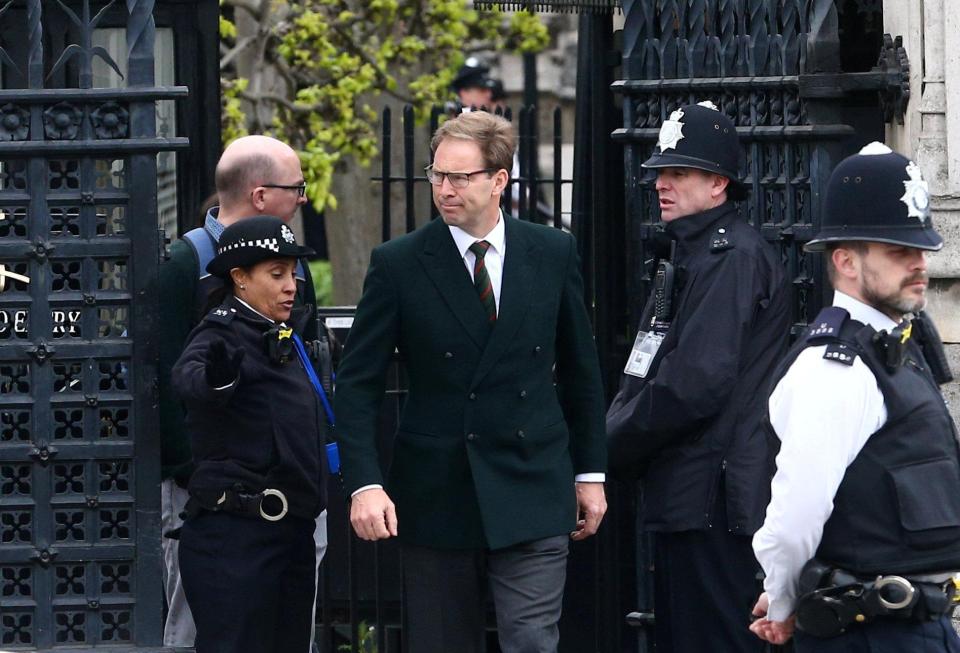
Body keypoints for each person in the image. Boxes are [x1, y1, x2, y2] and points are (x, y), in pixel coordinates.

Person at [333, 110, 607, 653]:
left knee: (531, 640)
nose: (444, 189)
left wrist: (591, 472)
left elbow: (580, 372)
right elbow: (357, 383)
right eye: (437, 175)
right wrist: (364, 483)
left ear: (498, 180)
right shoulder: (400, 263)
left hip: (533, 478)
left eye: (460, 177)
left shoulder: (552, 252)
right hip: (438, 489)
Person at [750, 142, 960, 652]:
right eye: (897, 251)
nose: (918, 264)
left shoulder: (897, 345)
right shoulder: (835, 368)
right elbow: (794, 516)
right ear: (844, 259)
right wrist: (781, 603)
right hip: (870, 632)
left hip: (915, 626)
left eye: (919, 250)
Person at [605, 101, 789, 652]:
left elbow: (695, 384)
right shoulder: (691, 254)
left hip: (715, 495)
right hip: (692, 493)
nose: (662, 184)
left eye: (678, 172)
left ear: (718, 183)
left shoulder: (730, 256)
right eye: (660, 172)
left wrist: (605, 444)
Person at [156, 135, 330, 649]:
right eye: (295, 188)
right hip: (218, 503)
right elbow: (176, 375)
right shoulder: (185, 266)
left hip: (291, 506)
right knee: (205, 632)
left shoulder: (284, 278)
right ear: (259, 194)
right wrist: (192, 469)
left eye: (291, 274)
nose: (290, 284)